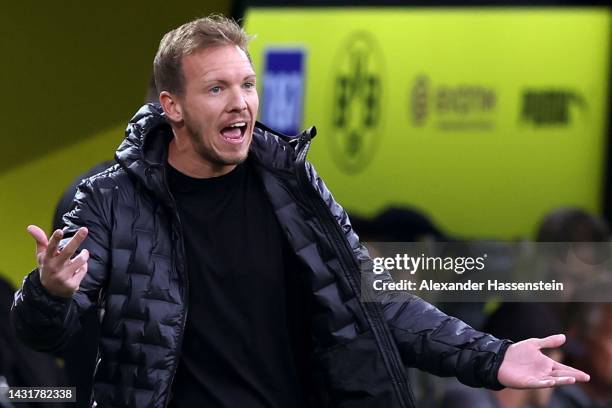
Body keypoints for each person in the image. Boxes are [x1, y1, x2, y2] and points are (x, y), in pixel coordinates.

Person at [11, 15, 589, 408]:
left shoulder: (293, 184)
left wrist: (492, 357)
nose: (240, 102)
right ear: (173, 106)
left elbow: (373, 298)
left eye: (247, 84)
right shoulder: (111, 200)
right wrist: (51, 291)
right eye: (216, 89)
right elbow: (45, 336)